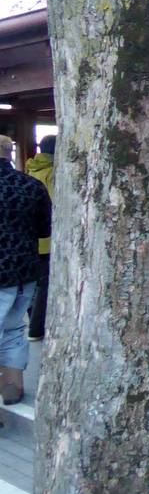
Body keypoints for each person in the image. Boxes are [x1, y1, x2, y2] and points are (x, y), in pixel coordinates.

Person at [0, 135, 51, 404]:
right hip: (24, 272)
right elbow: (44, 229)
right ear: (10, 154)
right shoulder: (31, 185)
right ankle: (12, 388)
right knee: (13, 330)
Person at [25, 134, 55, 341]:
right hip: (48, 238)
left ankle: (32, 320)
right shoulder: (53, 172)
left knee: (33, 284)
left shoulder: (31, 170)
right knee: (45, 285)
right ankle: (36, 328)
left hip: (31, 237)